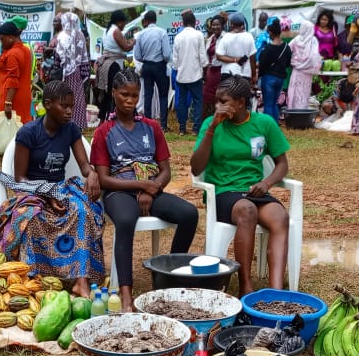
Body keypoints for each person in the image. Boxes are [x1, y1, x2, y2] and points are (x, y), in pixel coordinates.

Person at [91, 69, 200, 311]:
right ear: (113, 93)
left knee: (189, 214)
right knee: (126, 220)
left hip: (151, 189)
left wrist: (151, 190)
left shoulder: (151, 127)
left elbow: (165, 171)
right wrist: (141, 185)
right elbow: (104, 179)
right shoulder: (104, 131)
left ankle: (170, 276)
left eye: (134, 95)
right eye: (124, 95)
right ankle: (126, 294)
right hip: (119, 191)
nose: (130, 100)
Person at [0, 81, 104, 298]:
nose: (69, 111)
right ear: (48, 104)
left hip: (61, 188)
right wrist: (47, 194)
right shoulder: (28, 133)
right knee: (31, 218)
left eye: (71, 106)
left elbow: (84, 166)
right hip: (32, 190)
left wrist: (91, 174)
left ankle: (81, 279)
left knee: (82, 211)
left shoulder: (71, 130)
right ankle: (33, 278)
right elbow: (20, 178)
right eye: (64, 106)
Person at [190, 75, 292, 295]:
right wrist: (212, 128)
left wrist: (266, 183)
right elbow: (196, 168)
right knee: (247, 210)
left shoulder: (264, 123)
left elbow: (282, 164)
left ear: (240, 102)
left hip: (255, 191)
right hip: (223, 192)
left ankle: (276, 292)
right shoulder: (211, 124)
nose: (218, 106)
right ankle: (246, 286)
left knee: (280, 216)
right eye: (217, 101)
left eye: (223, 101)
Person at [133, 10, 172, 130]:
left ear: (146, 21)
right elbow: (167, 54)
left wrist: (146, 59)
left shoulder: (141, 34)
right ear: (155, 20)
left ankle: (148, 123)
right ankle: (163, 125)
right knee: (163, 96)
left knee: (147, 95)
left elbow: (137, 56)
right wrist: (163, 61)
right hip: (160, 65)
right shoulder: (162, 32)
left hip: (147, 66)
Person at [172, 10, 208, 134]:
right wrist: (205, 72)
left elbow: (175, 61)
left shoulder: (178, 37)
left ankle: (182, 128)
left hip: (181, 76)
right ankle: (196, 129)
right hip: (195, 75)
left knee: (181, 102)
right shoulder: (198, 35)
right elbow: (203, 57)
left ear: (183, 23)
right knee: (197, 101)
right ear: (194, 22)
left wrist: (178, 70)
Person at [96, 10, 135, 121]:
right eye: (124, 23)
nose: (124, 25)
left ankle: (102, 118)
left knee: (108, 93)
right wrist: (133, 42)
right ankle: (111, 117)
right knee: (115, 92)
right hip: (113, 64)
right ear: (119, 22)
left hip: (106, 64)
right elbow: (126, 47)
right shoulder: (116, 31)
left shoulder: (107, 30)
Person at [55, 12, 91, 129]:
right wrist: (84, 74)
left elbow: (57, 58)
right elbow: (84, 57)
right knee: (77, 100)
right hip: (77, 74)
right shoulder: (80, 35)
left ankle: (62, 123)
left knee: (62, 99)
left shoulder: (61, 36)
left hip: (63, 75)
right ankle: (77, 125)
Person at [0, 20, 34, 124]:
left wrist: (8, 103)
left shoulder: (12, 54)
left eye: (2, 39)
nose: (1, 42)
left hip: (12, 99)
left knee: (10, 129)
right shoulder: (26, 50)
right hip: (24, 95)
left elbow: (13, 79)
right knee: (22, 126)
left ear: (10, 37)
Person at [256, 18, 292, 121]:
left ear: (271, 32)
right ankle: (275, 125)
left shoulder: (267, 49)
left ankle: (269, 127)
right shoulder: (286, 47)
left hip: (269, 78)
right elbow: (288, 64)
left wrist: (258, 77)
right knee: (274, 103)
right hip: (281, 79)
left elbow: (262, 66)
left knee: (268, 104)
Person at [288, 19, 321, 110]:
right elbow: (315, 57)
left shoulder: (296, 40)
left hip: (296, 71)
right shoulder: (313, 40)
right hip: (307, 73)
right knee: (304, 94)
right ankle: (302, 113)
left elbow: (287, 50)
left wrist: (292, 61)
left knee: (294, 93)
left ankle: (293, 112)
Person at [218, 13, 258, 87]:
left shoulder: (226, 37)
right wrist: (254, 75)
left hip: (227, 73)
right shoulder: (249, 37)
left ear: (232, 24)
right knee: (242, 94)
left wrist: (234, 60)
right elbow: (253, 58)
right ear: (243, 25)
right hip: (244, 75)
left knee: (227, 94)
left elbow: (219, 56)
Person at [201, 15, 225, 120]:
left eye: (218, 25)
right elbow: (206, 56)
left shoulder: (226, 38)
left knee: (219, 97)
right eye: (213, 25)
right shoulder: (210, 39)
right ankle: (204, 123)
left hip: (221, 71)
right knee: (205, 96)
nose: (215, 27)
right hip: (210, 71)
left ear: (222, 26)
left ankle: (219, 121)